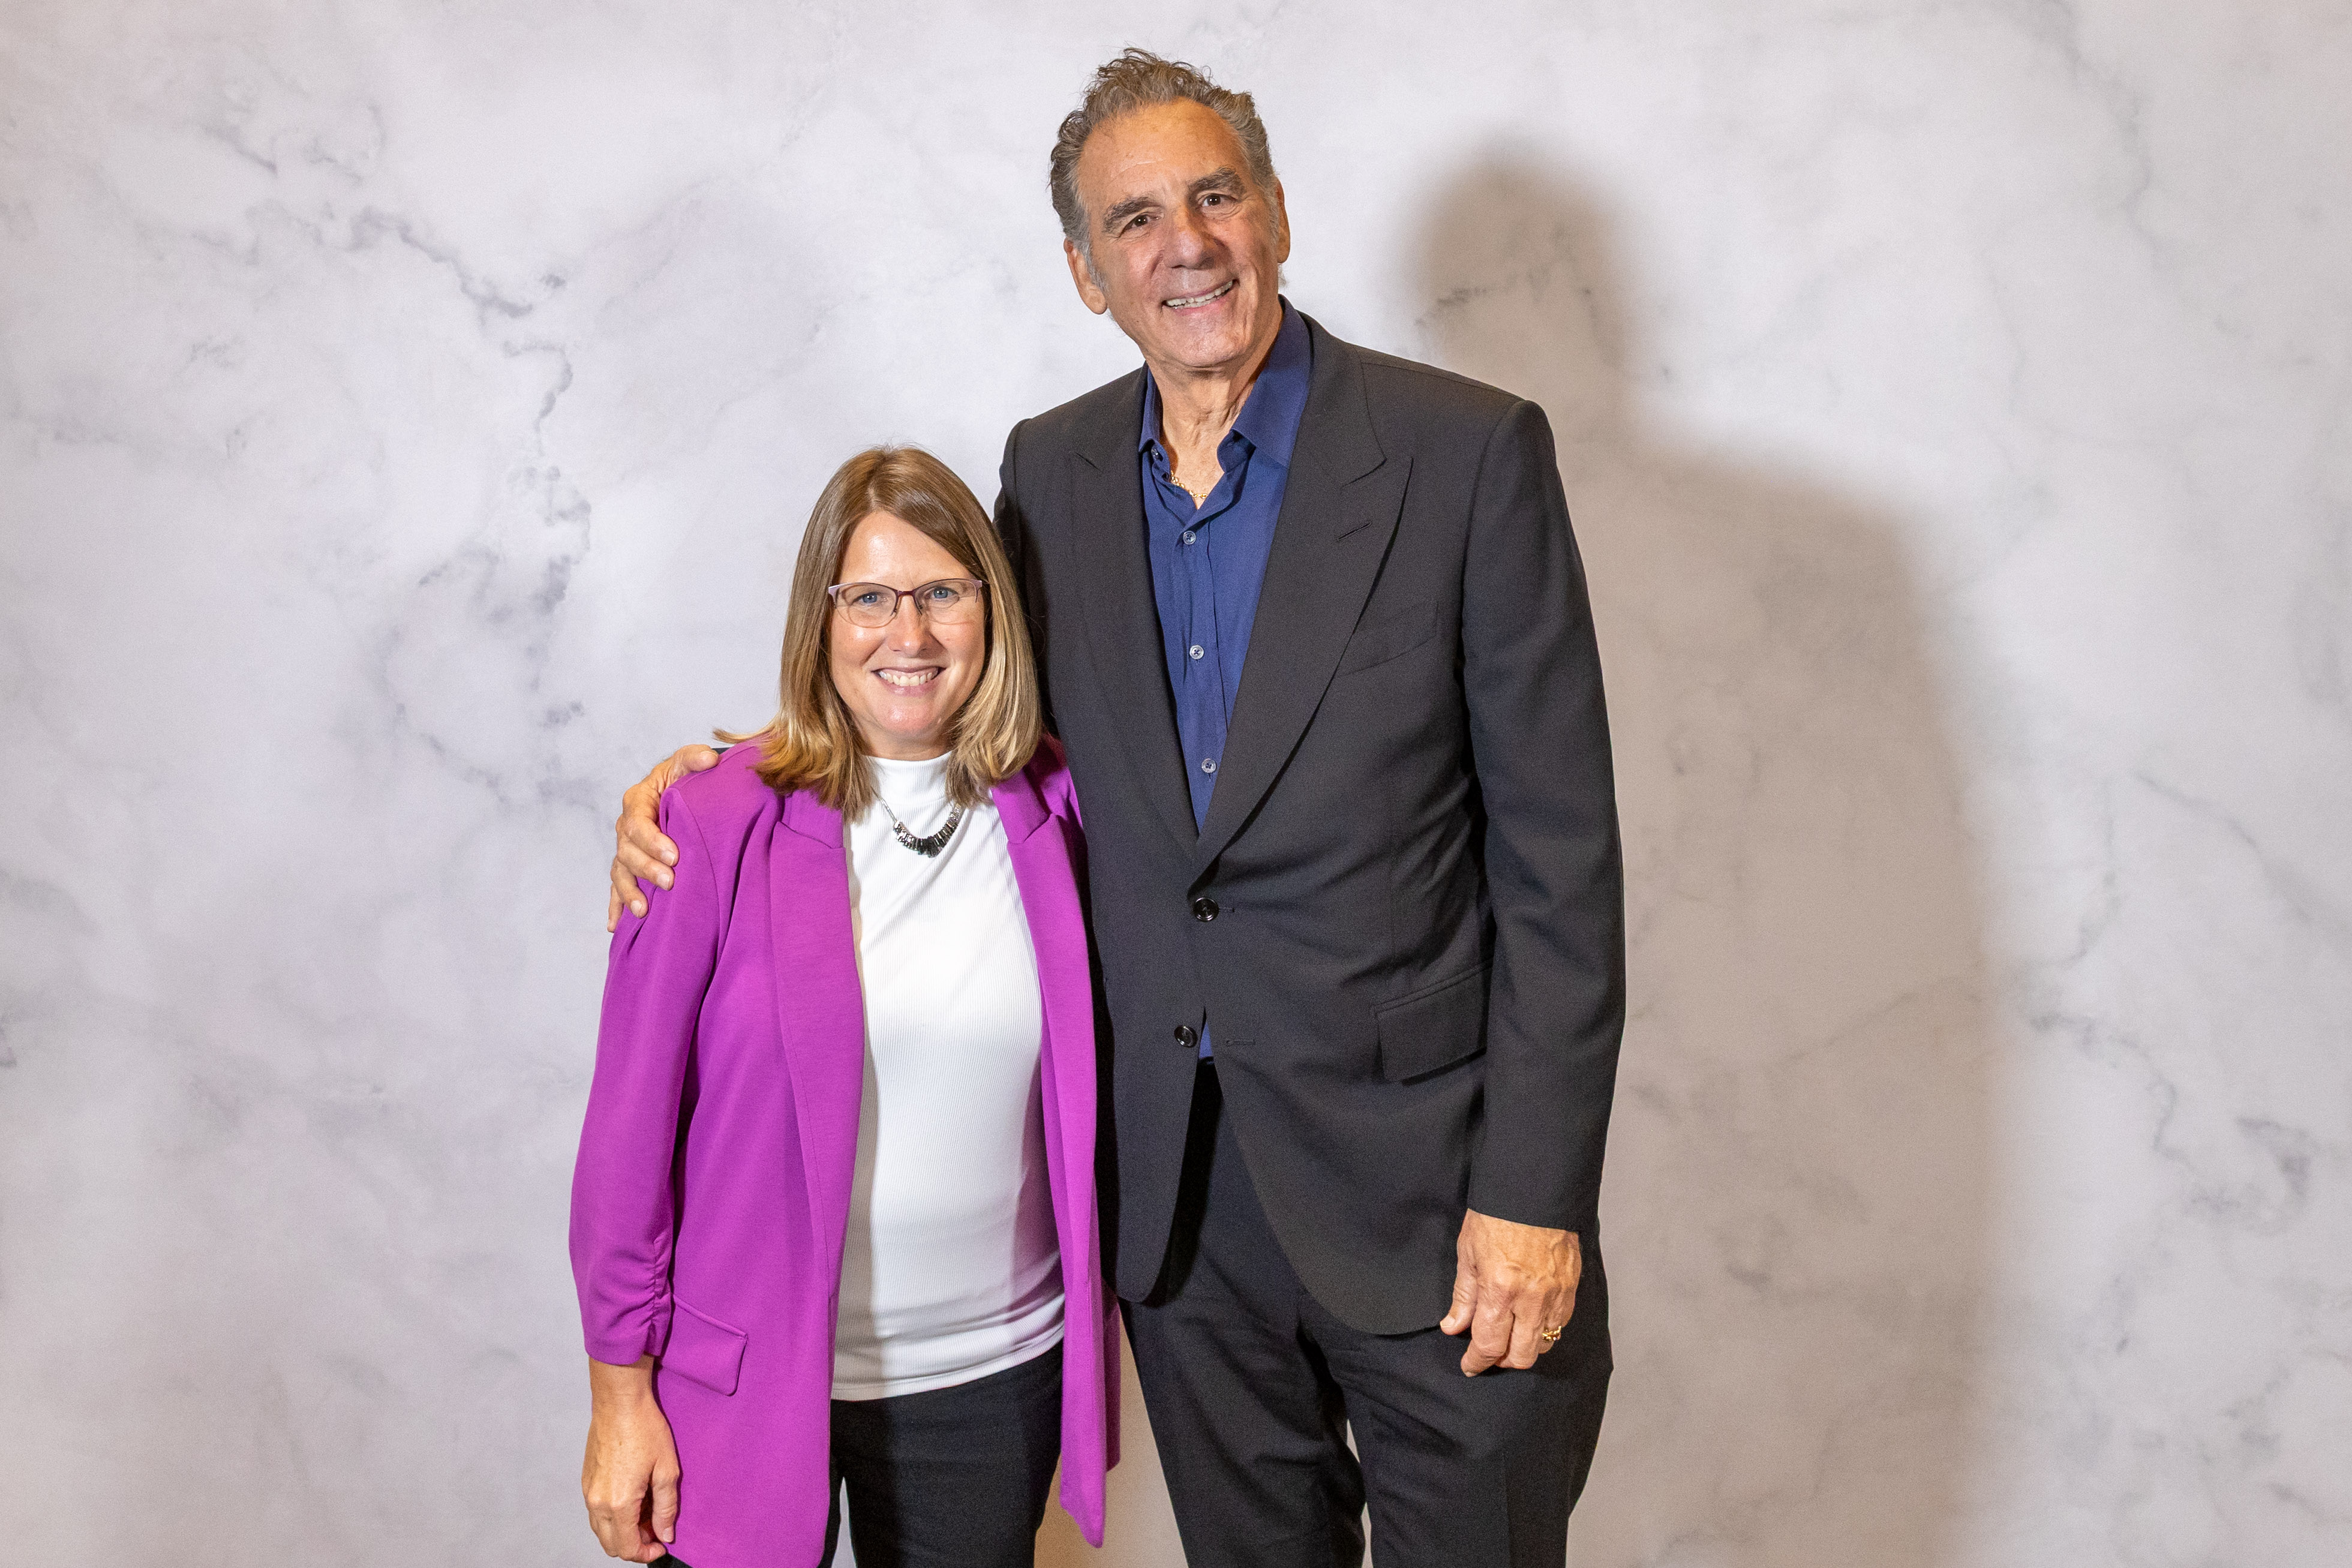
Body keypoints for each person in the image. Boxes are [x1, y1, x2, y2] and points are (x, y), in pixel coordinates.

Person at [609, 50, 1621, 1568]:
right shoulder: (1055, 469)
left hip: (1434, 1204)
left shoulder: (1466, 452)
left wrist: (1534, 1196)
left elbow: (1560, 863)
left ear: (1275, 214)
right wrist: (726, 775)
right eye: (1134, 219)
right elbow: (953, 690)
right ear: (1088, 273)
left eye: (1215, 196)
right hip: (1178, 1220)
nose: (1184, 243)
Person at [572, 446, 1116, 1568]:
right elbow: (627, 1137)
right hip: (746, 1384)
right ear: (819, 619)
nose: (906, 633)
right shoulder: (710, 822)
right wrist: (618, 1394)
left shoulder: (1063, 805)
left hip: (988, 1381)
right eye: (868, 597)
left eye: (943, 592)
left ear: (992, 610)